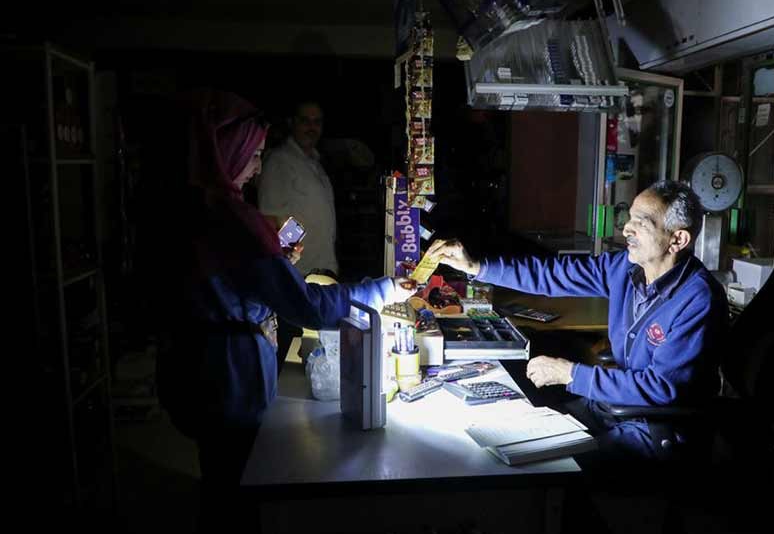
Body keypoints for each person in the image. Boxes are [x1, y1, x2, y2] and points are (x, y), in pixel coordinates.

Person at [149, 89, 414, 488]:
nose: (257, 168)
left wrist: (273, 267)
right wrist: (384, 290)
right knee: (237, 479)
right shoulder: (233, 218)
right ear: (228, 151)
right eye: (253, 155)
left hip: (201, 368)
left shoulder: (197, 206)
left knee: (219, 471)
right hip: (229, 376)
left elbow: (227, 280)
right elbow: (307, 307)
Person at [425, 180, 727, 462]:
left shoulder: (698, 298)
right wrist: (477, 266)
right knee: (522, 434)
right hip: (615, 406)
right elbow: (553, 275)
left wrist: (571, 374)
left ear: (678, 239)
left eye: (641, 223)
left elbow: (660, 388)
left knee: (554, 465)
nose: (626, 230)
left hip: (658, 427)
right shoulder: (625, 267)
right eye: (630, 219)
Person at [256, 99, 338, 375]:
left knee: (315, 358)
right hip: (297, 277)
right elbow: (269, 218)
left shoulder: (313, 161)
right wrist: (284, 263)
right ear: (292, 122)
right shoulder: (279, 161)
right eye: (305, 120)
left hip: (320, 274)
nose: (311, 127)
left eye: (317, 122)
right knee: (295, 362)